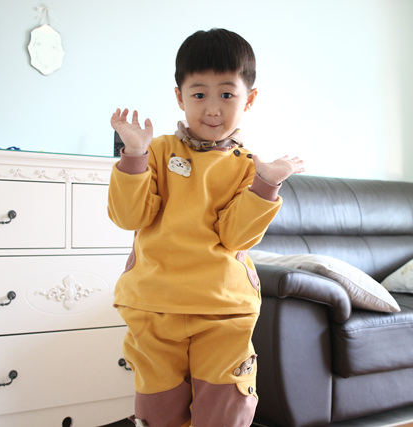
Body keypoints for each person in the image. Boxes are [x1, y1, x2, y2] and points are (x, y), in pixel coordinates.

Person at [108, 28, 305, 427]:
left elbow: (236, 237)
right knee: (158, 414)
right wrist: (134, 154)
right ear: (180, 97)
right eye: (199, 94)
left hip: (223, 310)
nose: (213, 109)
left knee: (224, 413)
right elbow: (129, 217)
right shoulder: (156, 151)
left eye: (227, 94)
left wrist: (266, 184)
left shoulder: (250, 167)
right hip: (154, 306)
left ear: (249, 99)